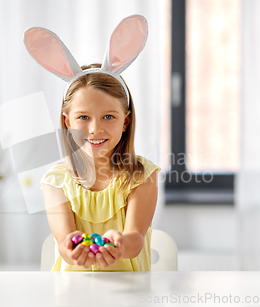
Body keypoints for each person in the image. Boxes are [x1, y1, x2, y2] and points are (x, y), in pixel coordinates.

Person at [24, 15, 160, 271]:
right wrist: (73, 250)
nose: (95, 128)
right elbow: (65, 242)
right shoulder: (55, 181)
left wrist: (119, 245)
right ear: (67, 121)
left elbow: (135, 239)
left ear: (125, 121)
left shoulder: (143, 176)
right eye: (83, 117)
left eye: (108, 116)